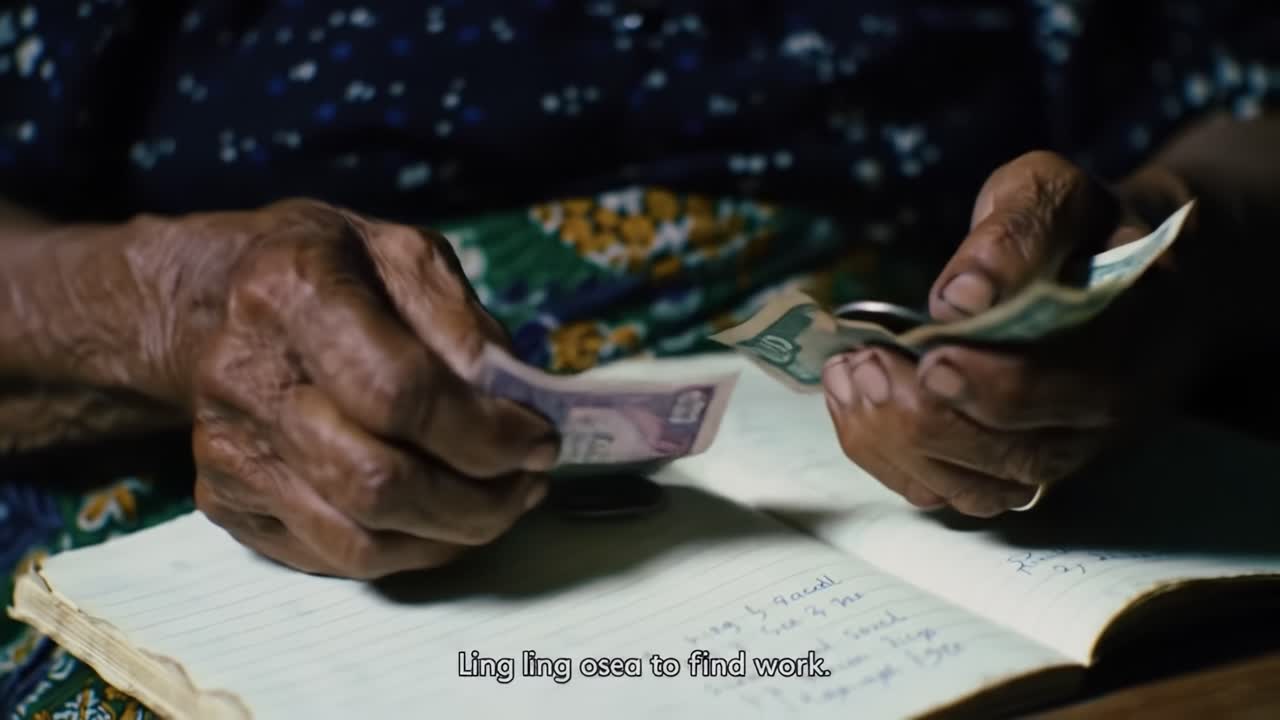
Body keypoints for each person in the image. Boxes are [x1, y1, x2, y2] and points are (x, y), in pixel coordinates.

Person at [1, 1, 1278, 714]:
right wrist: (167, 310)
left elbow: (1242, 106)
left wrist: (1175, 256)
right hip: (216, 462)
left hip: (941, 466)